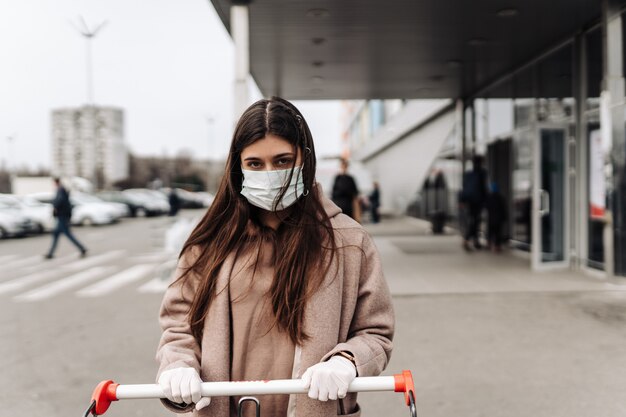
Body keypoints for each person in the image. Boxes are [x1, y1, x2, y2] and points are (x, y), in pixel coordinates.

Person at [155, 97, 394, 417]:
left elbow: (375, 331)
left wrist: (347, 360)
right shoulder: (211, 241)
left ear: (304, 159)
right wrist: (178, 365)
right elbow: (179, 323)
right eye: (255, 164)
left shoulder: (347, 241)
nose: (270, 174)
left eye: (282, 161)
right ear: (238, 168)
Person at [44, 178, 87, 259]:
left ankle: (82, 248)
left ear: (56, 183)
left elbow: (59, 201)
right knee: (56, 234)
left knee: (67, 234)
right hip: (63, 216)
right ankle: (50, 253)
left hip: (62, 216)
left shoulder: (61, 190)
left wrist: (55, 206)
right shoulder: (63, 190)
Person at [459, 155, 488, 251]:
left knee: (474, 220)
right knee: (475, 221)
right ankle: (467, 240)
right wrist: (485, 201)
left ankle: (475, 241)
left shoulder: (468, 174)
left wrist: (462, 200)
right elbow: (484, 188)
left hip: (469, 201)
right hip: (478, 201)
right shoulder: (482, 173)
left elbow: (464, 188)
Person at [485, 182, 507, 253]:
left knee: (490, 231)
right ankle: (497, 246)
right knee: (498, 233)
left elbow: (487, 207)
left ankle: (489, 244)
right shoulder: (500, 197)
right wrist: (504, 217)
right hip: (498, 218)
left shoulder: (489, 197)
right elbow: (503, 208)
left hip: (491, 218)